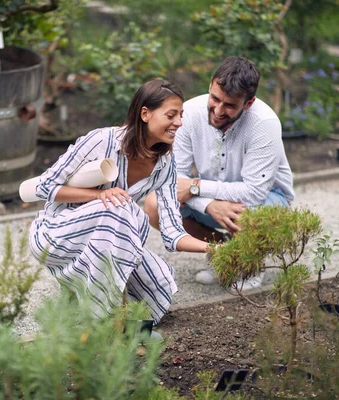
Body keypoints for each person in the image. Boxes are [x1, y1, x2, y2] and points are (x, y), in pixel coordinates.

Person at [29, 79, 209, 324]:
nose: (179, 122)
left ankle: (84, 296)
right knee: (122, 209)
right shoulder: (102, 141)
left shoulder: (165, 165)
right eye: (171, 115)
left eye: (181, 115)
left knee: (160, 287)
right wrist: (98, 195)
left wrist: (214, 249)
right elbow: (44, 186)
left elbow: (172, 233)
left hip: (112, 241)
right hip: (57, 234)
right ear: (145, 114)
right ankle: (109, 321)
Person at [144, 56, 295, 287]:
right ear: (210, 86)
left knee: (247, 211)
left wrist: (196, 188)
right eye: (215, 98)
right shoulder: (189, 114)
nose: (218, 109)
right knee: (155, 204)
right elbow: (173, 180)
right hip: (211, 200)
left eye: (230, 105)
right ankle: (222, 253)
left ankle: (250, 263)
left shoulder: (265, 123)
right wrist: (209, 205)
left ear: (249, 102)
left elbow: (254, 192)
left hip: (265, 201)